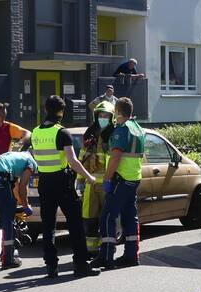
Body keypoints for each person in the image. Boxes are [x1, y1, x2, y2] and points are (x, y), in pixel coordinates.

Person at [31, 96, 101, 279]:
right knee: (75, 223)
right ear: (61, 112)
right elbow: (73, 161)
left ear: (46, 109)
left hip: (44, 182)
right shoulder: (62, 133)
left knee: (48, 225)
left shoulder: (36, 132)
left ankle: (51, 266)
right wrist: (89, 177)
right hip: (61, 182)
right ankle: (80, 265)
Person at [94, 96, 145, 270]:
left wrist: (107, 179)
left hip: (120, 180)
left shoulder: (121, 130)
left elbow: (115, 157)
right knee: (130, 217)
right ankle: (132, 255)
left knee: (108, 217)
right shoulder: (138, 129)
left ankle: (106, 256)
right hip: (134, 179)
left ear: (117, 112)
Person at [80, 101, 115, 255]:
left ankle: (107, 249)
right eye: (100, 115)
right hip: (91, 183)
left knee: (107, 218)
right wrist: (80, 180)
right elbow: (82, 158)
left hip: (108, 182)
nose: (103, 117)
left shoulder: (115, 133)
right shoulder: (90, 133)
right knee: (89, 217)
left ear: (111, 116)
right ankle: (91, 249)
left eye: (106, 115)